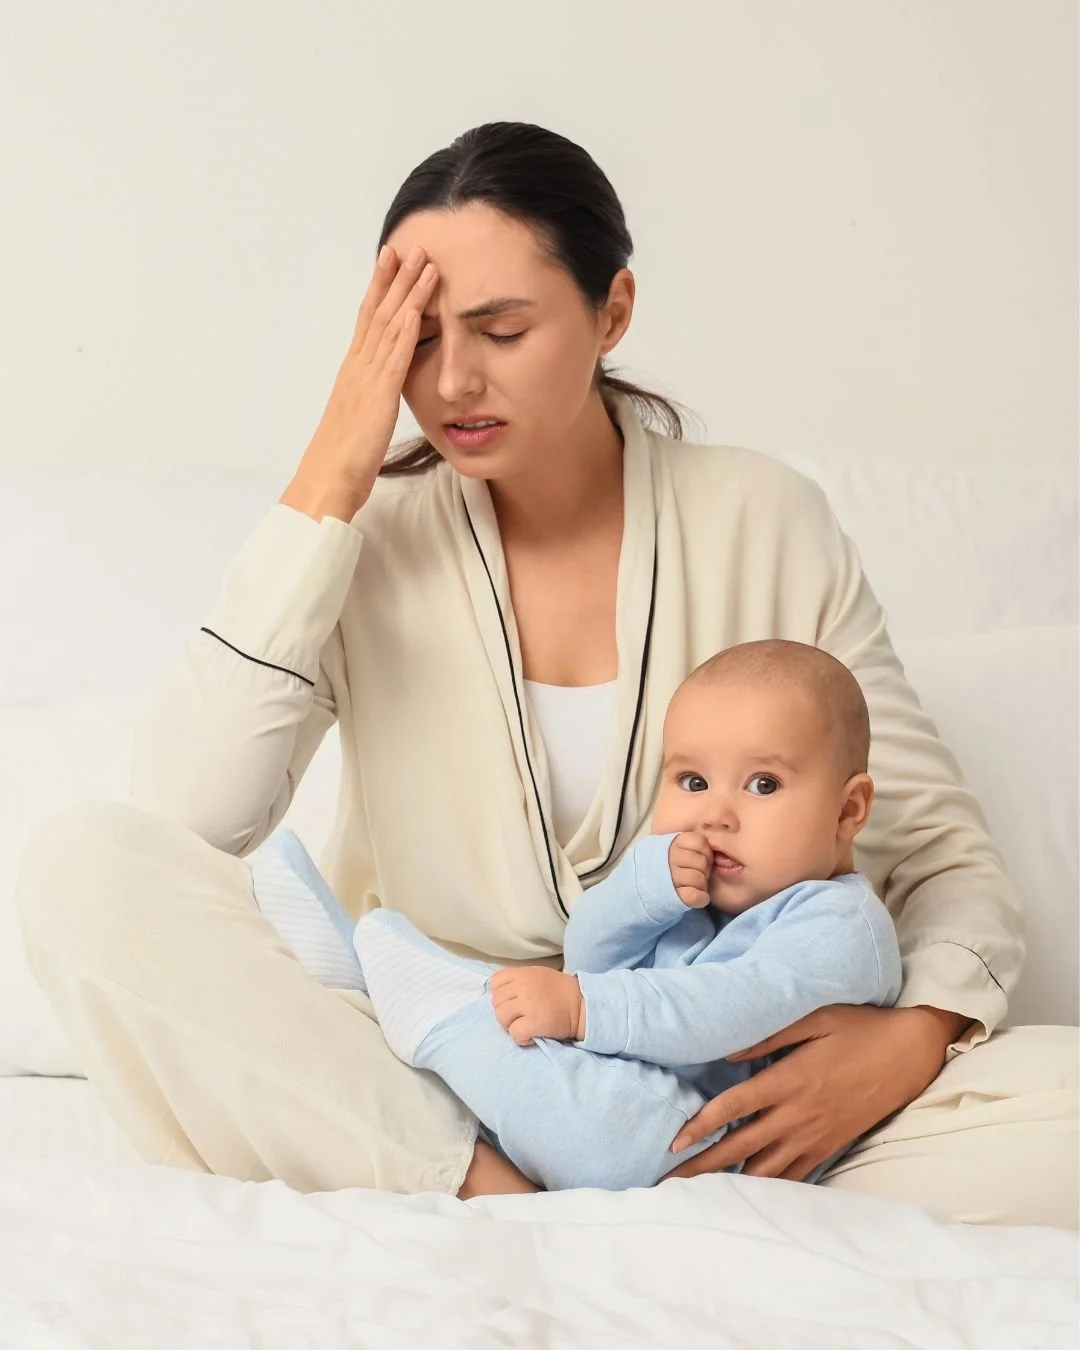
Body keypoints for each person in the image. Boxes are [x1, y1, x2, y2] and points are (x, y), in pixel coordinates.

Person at [15, 121, 1077, 1224]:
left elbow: (943, 858)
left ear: (612, 311)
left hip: (726, 1104)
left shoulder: (763, 520)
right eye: (414, 341)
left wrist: (903, 1047)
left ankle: (637, 1189)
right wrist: (337, 461)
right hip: (437, 1076)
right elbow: (187, 818)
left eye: (501, 330)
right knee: (80, 869)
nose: (454, 379)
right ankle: (493, 1194)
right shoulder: (366, 541)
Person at [251, 639, 903, 1192]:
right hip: (612, 1082)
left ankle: (430, 1004)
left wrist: (584, 1007)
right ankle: (362, 978)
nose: (714, 814)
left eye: (763, 784)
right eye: (692, 782)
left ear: (848, 812)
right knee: (514, 1055)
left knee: (603, 1133)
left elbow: (722, 1010)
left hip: (700, 1146)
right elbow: (590, 952)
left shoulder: (842, 928)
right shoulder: (696, 901)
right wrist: (644, 889)